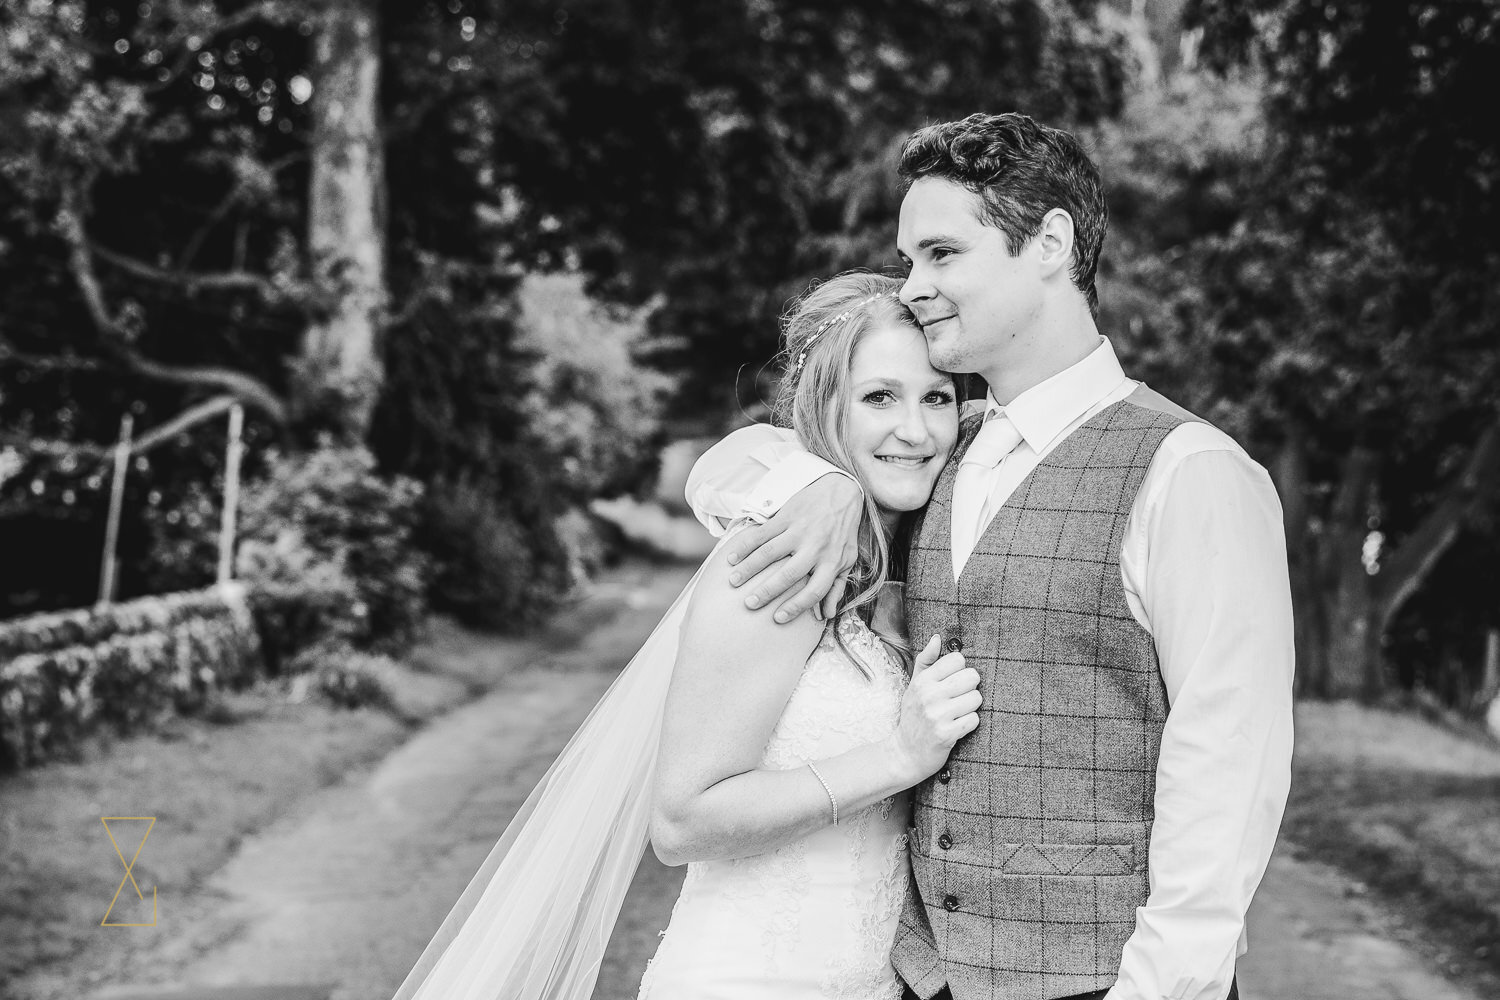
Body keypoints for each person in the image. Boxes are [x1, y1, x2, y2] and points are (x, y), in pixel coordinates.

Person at [686, 113, 1295, 1000]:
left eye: (940, 254)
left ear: (1048, 242)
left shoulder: (1190, 471)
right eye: (908, 260)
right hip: (926, 979)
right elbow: (723, 469)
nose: (914, 286)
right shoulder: (936, 447)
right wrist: (809, 481)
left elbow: (1230, 768)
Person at [389, 271, 981, 1000]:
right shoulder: (779, 563)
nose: (916, 430)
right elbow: (681, 821)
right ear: (827, 407)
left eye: (937, 397)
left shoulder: (901, 552)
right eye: (879, 397)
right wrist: (897, 756)